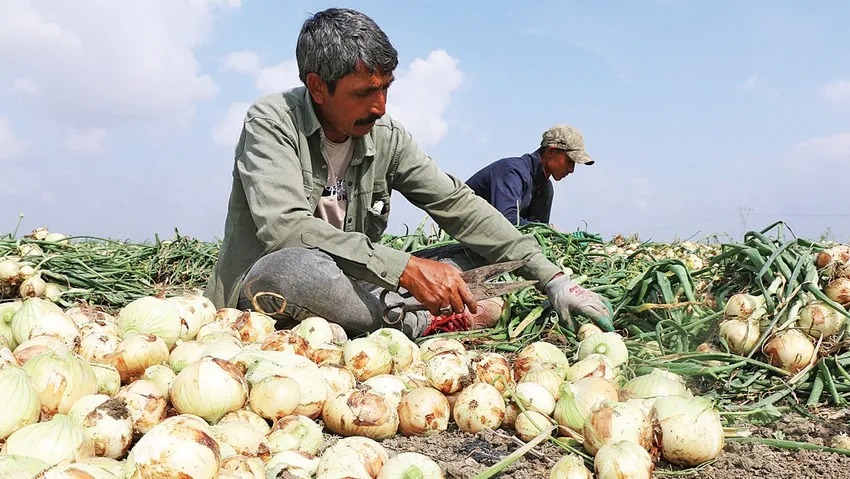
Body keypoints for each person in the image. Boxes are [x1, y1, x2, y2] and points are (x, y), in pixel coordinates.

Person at [204, 7, 611, 338]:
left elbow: (459, 205)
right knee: (293, 269)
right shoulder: (272, 122)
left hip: (359, 283)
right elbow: (285, 230)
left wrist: (554, 279)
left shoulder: (386, 136)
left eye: (386, 88)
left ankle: (387, 315)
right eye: (364, 92)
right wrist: (405, 269)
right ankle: (417, 320)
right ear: (317, 87)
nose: (380, 106)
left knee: (473, 252)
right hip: (272, 291)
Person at [466, 124, 595, 227]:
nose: (571, 169)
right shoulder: (513, 172)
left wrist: (545, 230)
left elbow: (536, 233)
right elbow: (507, 220)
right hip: (460, 231)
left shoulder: (544, 188)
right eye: (569, 161)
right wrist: (546, 229)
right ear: (551, 152)